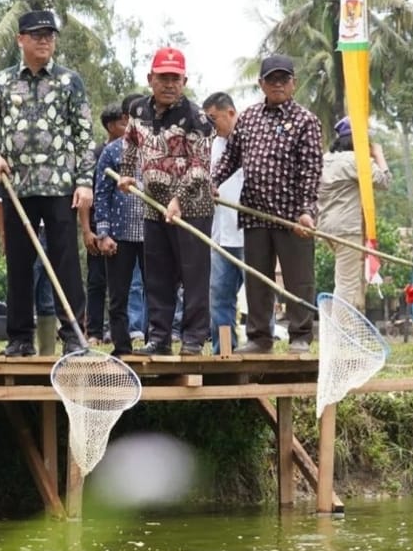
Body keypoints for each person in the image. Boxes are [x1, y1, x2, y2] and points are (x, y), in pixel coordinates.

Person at [0, 9, 94, 357]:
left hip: (60, 184)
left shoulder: (69, 80)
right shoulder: (0, 82)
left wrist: (85, 181)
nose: (45, 40)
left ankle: (74, 334)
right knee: (18, 262)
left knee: (65, 261)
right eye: (37, 34)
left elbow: (84, 133)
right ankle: (19, 338)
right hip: (16, 187)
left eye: (50, 35)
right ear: (21, 39)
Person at [211, 54, 322, 354]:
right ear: (261, 83)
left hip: (292, 217)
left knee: (299, 279)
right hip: (255, 215)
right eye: (271, 79)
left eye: (283, 79)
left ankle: (301, 335)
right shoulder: (248, 118)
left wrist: (307, 212)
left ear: (293, 83)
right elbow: (230, 158)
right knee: (257, 279)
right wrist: (213, 181)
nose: (277, 84)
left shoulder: (305, 121)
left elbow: (311, 171)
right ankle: (260, 337)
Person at [118, 47, 214, 356]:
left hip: (191, 206)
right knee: (158, 275)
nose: (169, 84)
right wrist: (126, 174)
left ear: (184, 80)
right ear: (151, 79)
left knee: (193, 274)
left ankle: (193, 338)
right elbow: (130, 143)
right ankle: (158, 338)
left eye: (175, 78)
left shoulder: (197, 117)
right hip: (152, 205)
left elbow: (200, 166)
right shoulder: (138, 111)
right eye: (163, 78)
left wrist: (179, 200)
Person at [317, 116, 392, 310]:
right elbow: (384, 181)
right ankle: (339, 333)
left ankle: (345, 327)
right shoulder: (357, 161)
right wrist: (378, 155)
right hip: (348, 229)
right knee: (347, 284)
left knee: (346, 279)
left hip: (326, 227)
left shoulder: (325, 159)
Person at [95, 95, 147, 357]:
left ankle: (156, 342)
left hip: (153, 233)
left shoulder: (160, 148)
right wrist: (103, 233)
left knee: (158, 292)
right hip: (120, 236)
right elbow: (101, 194)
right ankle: (122, 346)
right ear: (126, 119)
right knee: (118, 295)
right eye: (134, 116)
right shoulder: (112, 151)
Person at [0, 184, 57, 354]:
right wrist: (4, 233)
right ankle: (22, 341)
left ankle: (47, 353)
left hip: (51, 231)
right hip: (25, 229)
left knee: (48, 295)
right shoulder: (15, 168)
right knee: (25, 285)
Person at [203, 91, 245, 354]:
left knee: (258, 296)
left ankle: (259, 347)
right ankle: (224, 350)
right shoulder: (211, 145)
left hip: (250, 233)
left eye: (214, 118)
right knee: (219, 296)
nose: (211, 126)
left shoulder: (252, 140)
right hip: (220, 235)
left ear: (230, 113)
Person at [81, 104, 123, 345]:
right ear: (110, 126)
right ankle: (94, 331)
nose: (127, 128)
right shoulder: (96, 155)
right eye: (122, 123)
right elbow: (86, 197)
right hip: (99, 227)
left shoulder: (134, 151)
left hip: (126, 229)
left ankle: (123, 331)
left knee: (125, 284)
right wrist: (87, 230)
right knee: (97, 281)